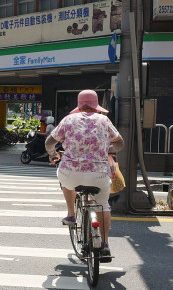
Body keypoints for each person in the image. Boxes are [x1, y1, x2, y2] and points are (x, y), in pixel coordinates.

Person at [45, 90, 124, 260]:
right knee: (103, 205)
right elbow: (120, 144)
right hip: (99, 175)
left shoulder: (68, 119)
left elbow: (49, 142)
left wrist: (53, 154)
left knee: (63, 177)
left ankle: (71, 213)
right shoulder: (104, 120)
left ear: (79, 105)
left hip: (71, 173)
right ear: (96, 106)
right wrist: (107, 150)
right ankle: (104, 244)